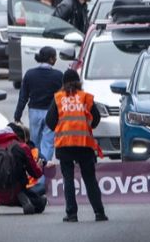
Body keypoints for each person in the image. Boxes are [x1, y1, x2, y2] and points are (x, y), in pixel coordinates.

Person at [46, 69, 107, 222]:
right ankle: (99, 212)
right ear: (78, 82)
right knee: (90, 179)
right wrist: (86, 127)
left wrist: (61, 127)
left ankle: (71, 214)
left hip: (65, 145)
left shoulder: (58, 98)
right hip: (84, 144)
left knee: (68, 179)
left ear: (63, 83)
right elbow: (96, 118)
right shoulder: (84, 97)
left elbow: (50, 121)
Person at [0, 125, 46, 215]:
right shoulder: (21, 147)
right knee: (41, 203)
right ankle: (26, 201)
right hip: (16, 193)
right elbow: (35, 173)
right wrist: (39, 167)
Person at [14, 46, 62, 161]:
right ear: (51, 59)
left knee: (35, 141)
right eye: (55, 57)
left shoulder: (30, 74)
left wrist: (18, 115)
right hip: (51, 112)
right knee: (48, 141)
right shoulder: (58, 75)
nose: (56, 59)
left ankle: (35, 166)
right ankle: (45, 165)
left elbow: (23, 97)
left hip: (34, 111)